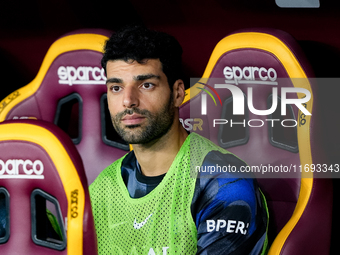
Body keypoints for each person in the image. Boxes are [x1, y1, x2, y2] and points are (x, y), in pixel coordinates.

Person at [89, 25, 268, 255]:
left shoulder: (224, 183)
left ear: (177, 93)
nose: (128, 101)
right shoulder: (103, 188)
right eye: (116, 87)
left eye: (146, 85)